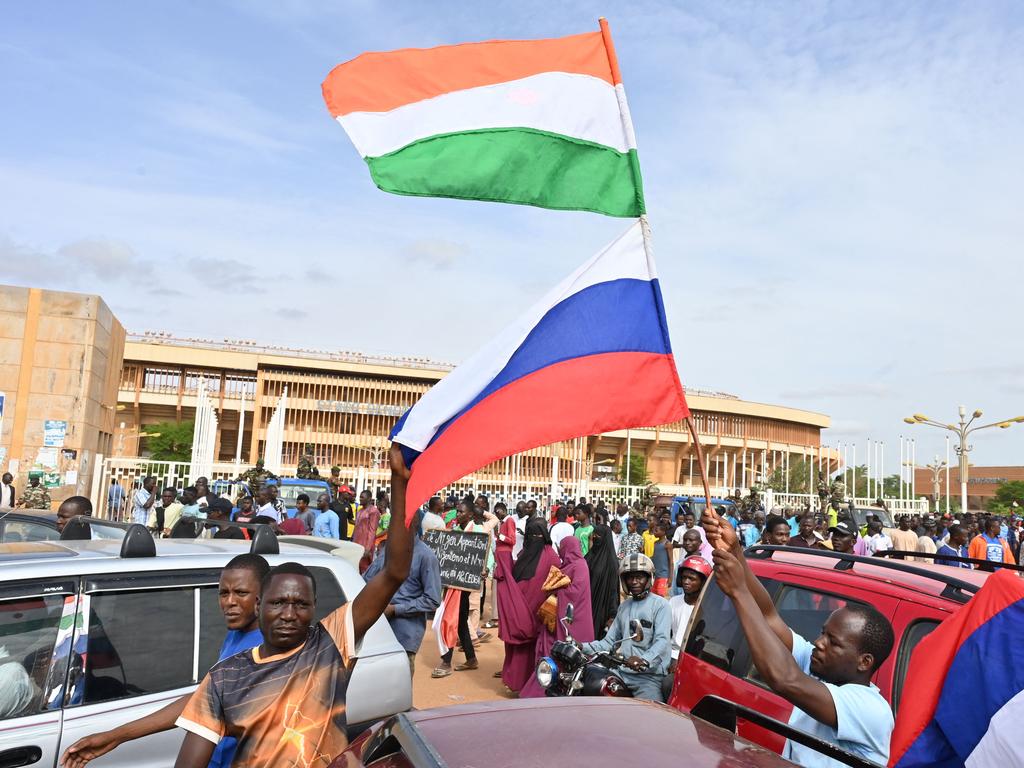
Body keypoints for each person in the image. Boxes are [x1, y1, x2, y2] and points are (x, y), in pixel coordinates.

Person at [172, 446, 414, 768]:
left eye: (300, 604)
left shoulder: (330, 644)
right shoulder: (224, 678)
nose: (289, 614)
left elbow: (394, 572)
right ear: (259, 605)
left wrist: (400, 483)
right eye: (278, 603)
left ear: (315, 607)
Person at [706, 510, 895, 767]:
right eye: (823, 633)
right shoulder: (823, 669)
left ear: (864, 662)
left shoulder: (871, 709)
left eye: (833, 642)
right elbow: (769, 616)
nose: (819, 643)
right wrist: (736, 551)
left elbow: (783, 679)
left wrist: (738, 591)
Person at [61, 554, 271, 768]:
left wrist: (116, 736)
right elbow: (206, 694)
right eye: (223, 593)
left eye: (241, 593)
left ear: (263, 596)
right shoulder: (236, 633)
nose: (229, 602)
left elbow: (199, 703)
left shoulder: (264, 651)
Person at [580, 553, 672, 702]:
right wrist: (581, 646)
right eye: (630, 577)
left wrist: (643, 660)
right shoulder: (624, 606)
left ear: (649, 578)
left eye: (639, 577)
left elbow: (662, 641)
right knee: (592, 691)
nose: (634, 582)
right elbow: (608, 642)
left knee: (651, 716)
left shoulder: (661, 605)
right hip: (622, 672)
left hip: (648, 677)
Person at [363, 516, 442, 676]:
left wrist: (395, 609)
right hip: (377, 630)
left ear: (414, 524)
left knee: (399, 686)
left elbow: (433, 599)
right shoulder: (388, 551)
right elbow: (366, 580)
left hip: (405, 632)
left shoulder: (426, 556)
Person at [520, 535, 595, 698]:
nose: (560, 550)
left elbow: (575, 593)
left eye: (562, 546)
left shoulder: (580, 566)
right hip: (558, 616)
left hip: (573, 619)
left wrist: (556, 590)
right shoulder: (567, 565)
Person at [494, 517, 561, 693]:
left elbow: (556, 584)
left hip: (538, 613)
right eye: (531, 534)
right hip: (520, 611)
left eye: (537, 535)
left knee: (530, 650)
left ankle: (526, 683)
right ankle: (515, 681)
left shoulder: (551, 556)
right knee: (517, 649)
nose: (534, 538)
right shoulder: (525, 554)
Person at [663, 555, 712, 700]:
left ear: (703, 582)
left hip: (691, 659)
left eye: (692, 579)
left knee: (668, 685)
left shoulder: (707, 608)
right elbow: (666, 633)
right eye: (684, 577)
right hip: (669, 655)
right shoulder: (673, 601)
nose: (686, 582)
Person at [586, 523, 621, 639]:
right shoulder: (590, 555)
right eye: (594, 534)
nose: (595, 537)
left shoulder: (612, 562)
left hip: (602, 606)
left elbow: (613, 590)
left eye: (598, 535)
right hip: (586, 602)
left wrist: (612, 615)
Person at [353, 489, 381, 572]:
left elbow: (372, 530)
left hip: (365, 544)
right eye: (360, 497)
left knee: (364, 568)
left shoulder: (373, 511)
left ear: (369, 499)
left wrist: (368, 548)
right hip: (357, 543)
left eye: (362, 497)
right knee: (355, 566)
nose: (360, 499)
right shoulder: (360, 510)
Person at [651, 523, 673, 597]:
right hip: (656, 576)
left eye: (656, 531)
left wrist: (670, 578)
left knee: (661, 597)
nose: (654, 532)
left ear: (663, 532)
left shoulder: (667, 544)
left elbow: (671, 562)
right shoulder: (655, 543)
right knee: (654, 596)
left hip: (664, 576)